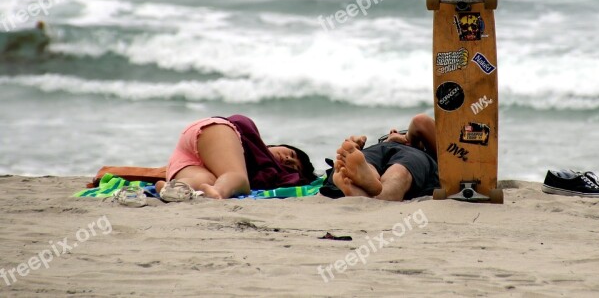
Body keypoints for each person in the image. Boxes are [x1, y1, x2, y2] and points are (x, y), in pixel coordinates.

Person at [156, 114, 316, 199]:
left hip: (184, 156)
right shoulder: (252, 143)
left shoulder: (259, 167)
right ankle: (219, 192)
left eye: (293, 166)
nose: (288, 159)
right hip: (213, 131)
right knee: (236, 178)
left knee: (204, 181)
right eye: (291, 154)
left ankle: (171, 188)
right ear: (273, 146)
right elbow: (241, 121)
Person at [332, 113, 439, 201]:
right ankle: (365, 184)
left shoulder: (423, 152)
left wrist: (408, 138)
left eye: (401, 132)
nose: (393, 131)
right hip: (374, 151)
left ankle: (358, 191)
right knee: (367, 164)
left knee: (399, 170)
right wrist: (356, 145)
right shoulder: (373, 148)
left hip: (412, 152)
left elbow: (420, 121)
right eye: (389, 134)